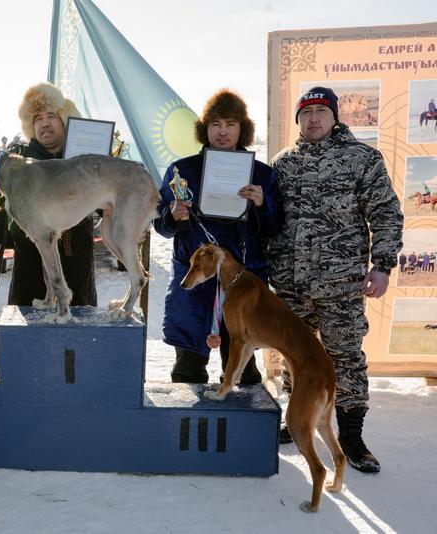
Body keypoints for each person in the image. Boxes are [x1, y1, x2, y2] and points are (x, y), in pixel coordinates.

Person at [268, 86, 403, 473]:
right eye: (306, 113)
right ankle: (296, 418)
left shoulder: (362, 159)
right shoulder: (282, 164)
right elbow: (269, 221)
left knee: (345, 360)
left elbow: (385, 213)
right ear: (298, 119)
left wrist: (382, 265)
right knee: (294, 357)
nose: (313, 119)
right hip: (290, 284)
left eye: (321, 112)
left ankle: (352, 437)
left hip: (341, 286)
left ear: (334, 117)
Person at [153, 89, 278, 384]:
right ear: (205, 128)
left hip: (242, 280)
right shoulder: (182, 171)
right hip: (195, 280)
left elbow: (275, 228)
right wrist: (172, 215)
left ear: (242, 129)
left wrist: (263, 204)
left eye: (231, 124)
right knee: (187, 372)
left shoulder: (262, 175)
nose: (223, 132)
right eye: (216, 124)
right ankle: (187, 414)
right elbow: (159, 225)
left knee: (242, 373)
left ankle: (243, 414)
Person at [6, 82, 97, 307]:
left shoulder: (86, 162)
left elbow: (109, 206)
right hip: (31, 276)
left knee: (80, 327)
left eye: (51, 116)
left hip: (77, 269)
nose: (44, 123)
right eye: (37, 118)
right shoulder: (17, 163)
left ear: (65, 120)